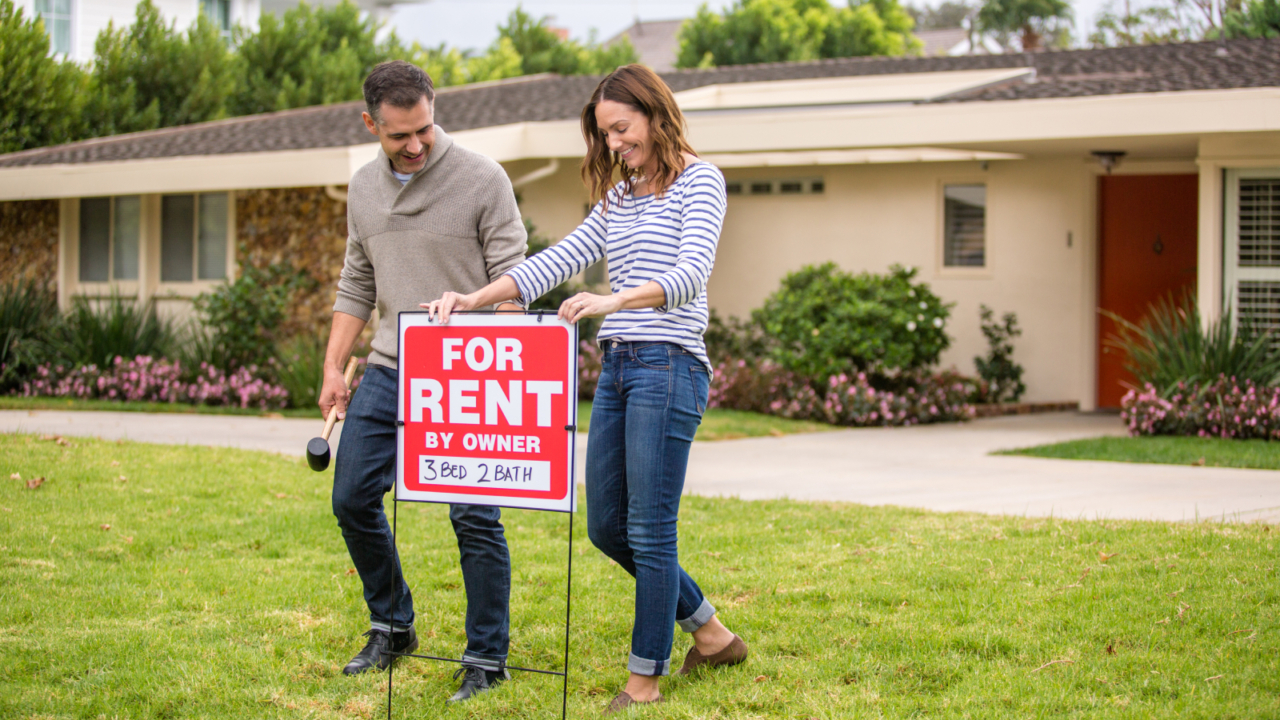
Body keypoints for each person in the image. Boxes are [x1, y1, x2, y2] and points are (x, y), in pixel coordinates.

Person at [423, 63, 748, 714]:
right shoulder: (621, 197)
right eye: (603, 135)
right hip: (622, 366)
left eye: (621, 129)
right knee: (606, 527)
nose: (613, 145)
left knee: (652, 533)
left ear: (655, 115)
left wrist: (613, 300)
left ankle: (644, 682)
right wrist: (474, 298)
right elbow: (557, 259)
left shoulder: (700, 182)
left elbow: (689, 275)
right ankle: (711, 634)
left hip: (670, 362)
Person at [319, 60, 527, 704]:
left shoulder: (483, 179)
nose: (415, 145)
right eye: (398, 135)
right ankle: (392, 624)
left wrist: (501, 358)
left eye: (425, 130)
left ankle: (487, 656)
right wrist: (333, 365)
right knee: (351, 498)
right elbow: (357, 282)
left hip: (468, 369)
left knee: (472, 514)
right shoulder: (361, 190)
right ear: (370, 124)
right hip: (386, 365)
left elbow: (516, 280)